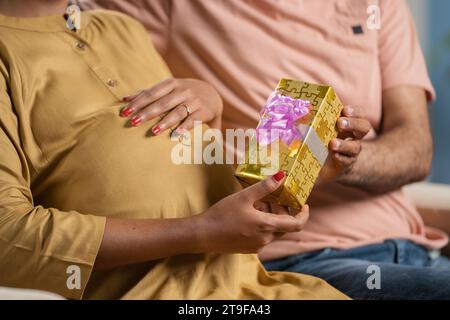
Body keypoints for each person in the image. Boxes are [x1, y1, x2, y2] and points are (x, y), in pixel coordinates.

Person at [79, 0, 450, 299]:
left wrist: (348, 160)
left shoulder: (379, 6)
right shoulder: (170, 7)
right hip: (296, 261)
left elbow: (416, 149)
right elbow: (57, 27)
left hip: (415, 247)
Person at [0, 0, 349, 300]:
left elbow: (177, 178)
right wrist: (198, 231)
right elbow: (6, 237)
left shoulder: (123, 27)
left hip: (259, 287)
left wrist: (296, 171)